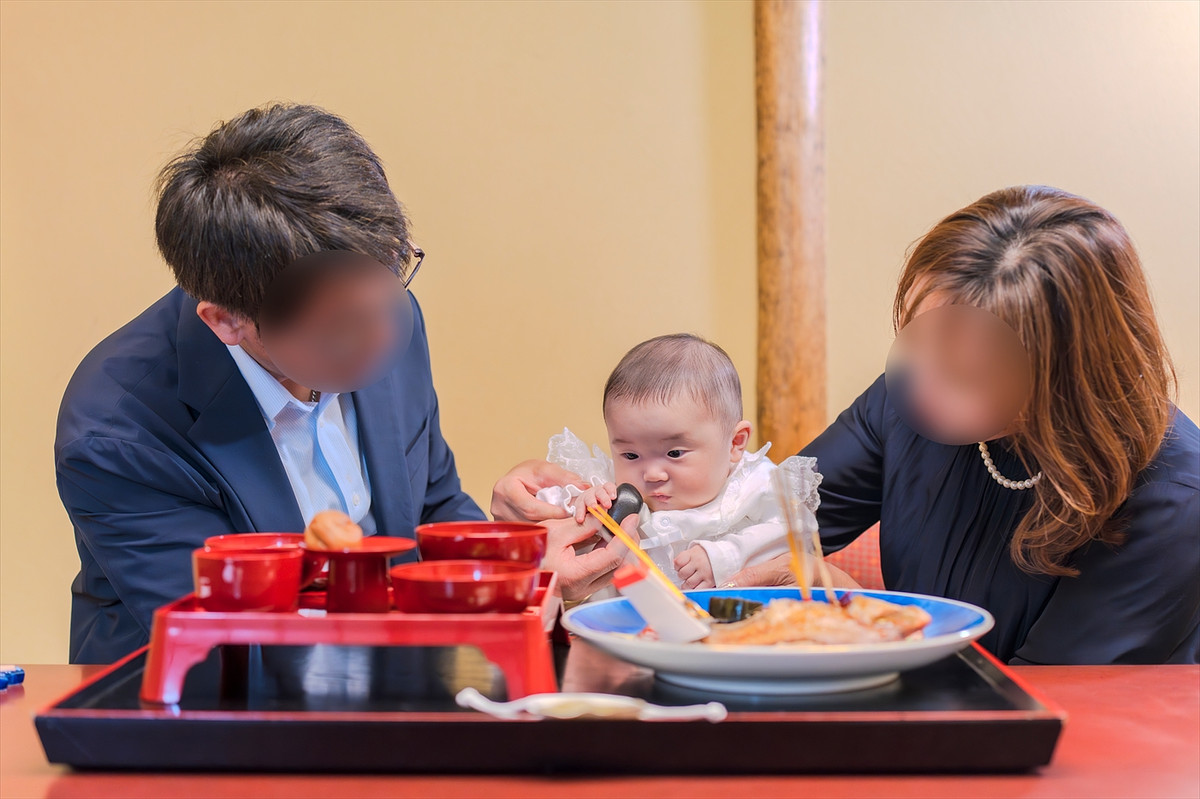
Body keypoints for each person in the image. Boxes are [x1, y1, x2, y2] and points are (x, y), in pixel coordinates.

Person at [493, 186, 1199, 665]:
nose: (915, 382)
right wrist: (589, 521)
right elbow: (769, 512)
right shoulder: (909, 397)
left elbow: (1059, 704)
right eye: (913, 342)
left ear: (1061, 381)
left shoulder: (1170, 498)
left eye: (961, 376)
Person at [56, 104, 484, 664]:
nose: (383, 336)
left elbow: (431, 507)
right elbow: (232, 645)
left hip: (383, 679)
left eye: (392, 283)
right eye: (342, 329)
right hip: (203, 715)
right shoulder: (120, 429)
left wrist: (512, 562)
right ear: (228, 321)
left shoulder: (386, 316)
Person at [535, 334, 821, 590]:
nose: (653, 473)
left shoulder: (754, 485)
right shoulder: (611, 488)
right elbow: (543, 521)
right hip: (627, 633)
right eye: (631, 455)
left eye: (674, 453)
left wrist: (722, 557)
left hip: (732, 633)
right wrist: (583, 506)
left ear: (735, 444)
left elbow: (790, 534)